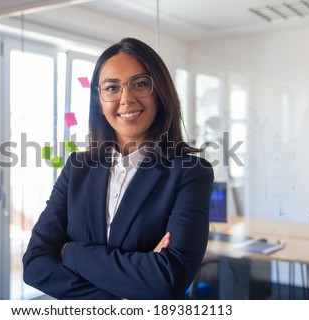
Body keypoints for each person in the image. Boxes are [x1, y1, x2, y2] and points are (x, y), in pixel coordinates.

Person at [22, 37, 214, 299]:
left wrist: (71, 252)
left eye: (141, 84)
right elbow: (35, 265)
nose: (127, 98)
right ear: (99, 102)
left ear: (160, 93)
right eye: (112, 88)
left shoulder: (190, 171)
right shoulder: (77, 168)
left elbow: (169, 278)